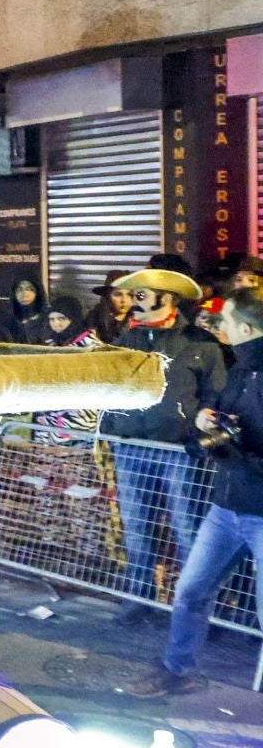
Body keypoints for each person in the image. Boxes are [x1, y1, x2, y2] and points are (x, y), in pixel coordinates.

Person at [128, 289, 263, 695]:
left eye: (225, 318)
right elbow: (228, 413)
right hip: (225, 508)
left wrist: (242, 454)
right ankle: (176, 670)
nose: (216, 324)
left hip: (258, 509)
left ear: (245, 327)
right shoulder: (240, 365)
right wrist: (210, 422)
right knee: (189, 593)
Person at [100, 267, 225, 623]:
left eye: (141, 296)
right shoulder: (125, 340)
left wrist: (204, 415)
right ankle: (140, 598)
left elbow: (215, 391)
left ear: (166, 299)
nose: (131, 303)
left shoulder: (200, 343)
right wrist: (111, 428)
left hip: (179, 450)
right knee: (136, 525)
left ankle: (196, 608)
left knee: (188, 529)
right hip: (131, 445)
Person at [1, 275, 50, 344]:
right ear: (13, 294)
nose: (25, 294)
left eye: (30, 289)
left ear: (38, 292)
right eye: (19, 289)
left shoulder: (50, 319)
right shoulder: (7, 320)